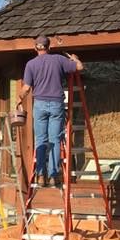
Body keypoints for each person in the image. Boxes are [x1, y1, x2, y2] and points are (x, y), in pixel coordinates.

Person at [16, 35, 82, 187]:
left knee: (41, 140)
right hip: (56, 104)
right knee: (55, 140)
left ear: (35, 48)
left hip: (39, 104)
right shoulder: (59, 59)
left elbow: (26, 89)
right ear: (49, 47)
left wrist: (19, 99)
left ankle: (40, 175)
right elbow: (79, 67)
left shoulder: (31, 64)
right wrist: (74, 58)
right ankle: (53, 176)